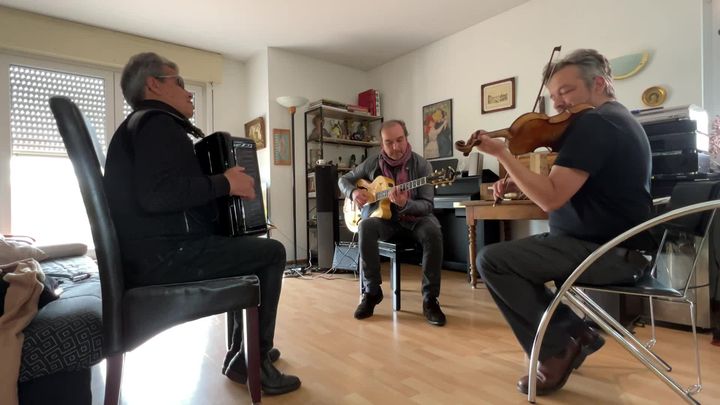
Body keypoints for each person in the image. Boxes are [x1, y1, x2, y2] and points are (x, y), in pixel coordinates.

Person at [103, 52, 300, 395]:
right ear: (153, 84)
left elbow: (163, 194)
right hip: (166, 258)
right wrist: (226, 183)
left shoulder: (141, 126)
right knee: (271, 253)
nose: (188, 91)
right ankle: (256, 360)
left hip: (151, 256)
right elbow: (158, 195)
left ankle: (246, 353)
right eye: (178, 82)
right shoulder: (157, 124)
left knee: (251, 251)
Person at [472, 49, 652, 395]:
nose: (557, 105)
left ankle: (561, 345)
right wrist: (516, 181)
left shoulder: (597, 123)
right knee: (508, 259)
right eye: (554, 96)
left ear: (599, 83)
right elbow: (574, 190)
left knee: (493, 260)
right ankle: (574, 333)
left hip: (606, 254)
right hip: (610, 249)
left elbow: (551, 198)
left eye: (566, 92)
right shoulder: (617, 120)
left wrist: (502, 154)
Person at [339, 120, 446, 326]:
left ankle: (430, 299)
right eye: (389, 143)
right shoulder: (372, 163)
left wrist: (405, 203)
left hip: (416, 220)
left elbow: (427, 205)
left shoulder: (422, 165)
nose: (396, 147)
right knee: (365, 226)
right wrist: (353, 193)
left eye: (400, 140)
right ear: (382, 145)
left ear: (406, 138)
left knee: (433, 231)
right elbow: (344, 180)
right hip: (386, 221)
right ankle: (372, 292)